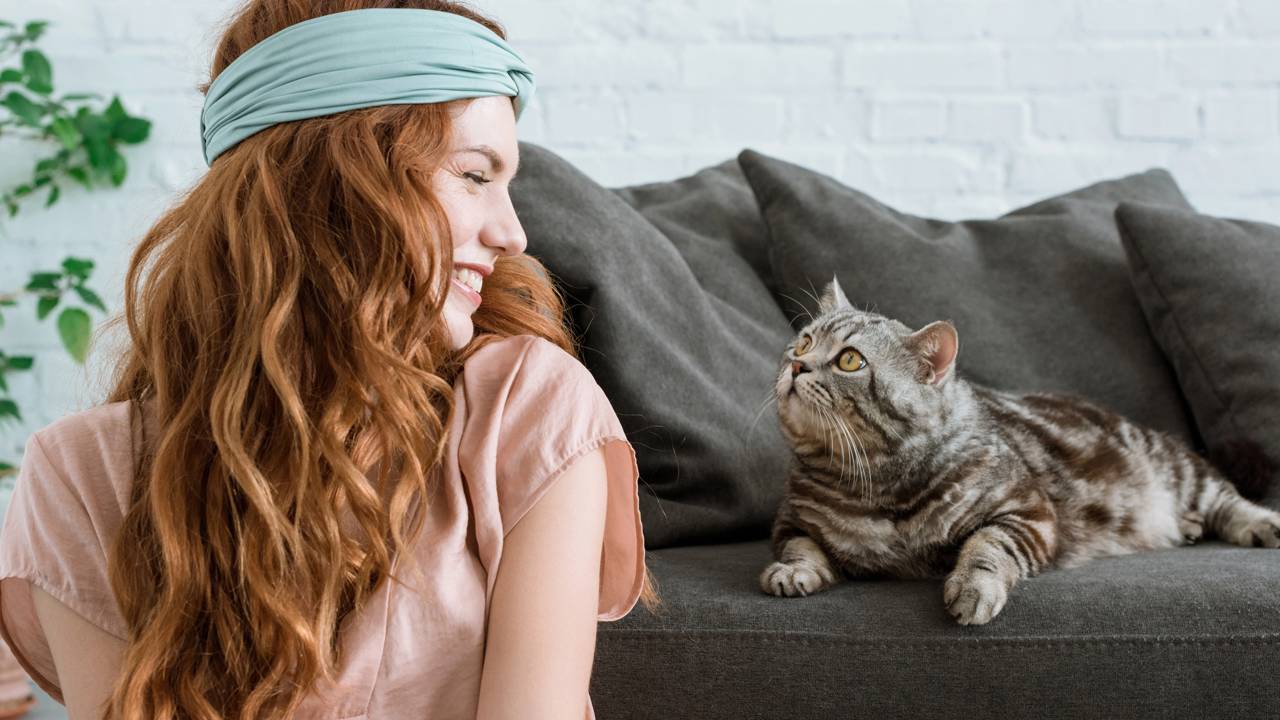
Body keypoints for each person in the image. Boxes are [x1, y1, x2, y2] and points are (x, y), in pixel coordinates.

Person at [0, 2, 659, 719]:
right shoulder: (82, 475)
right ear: (337, 178)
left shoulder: (528, 409)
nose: (513, 234)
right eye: (474, 175)